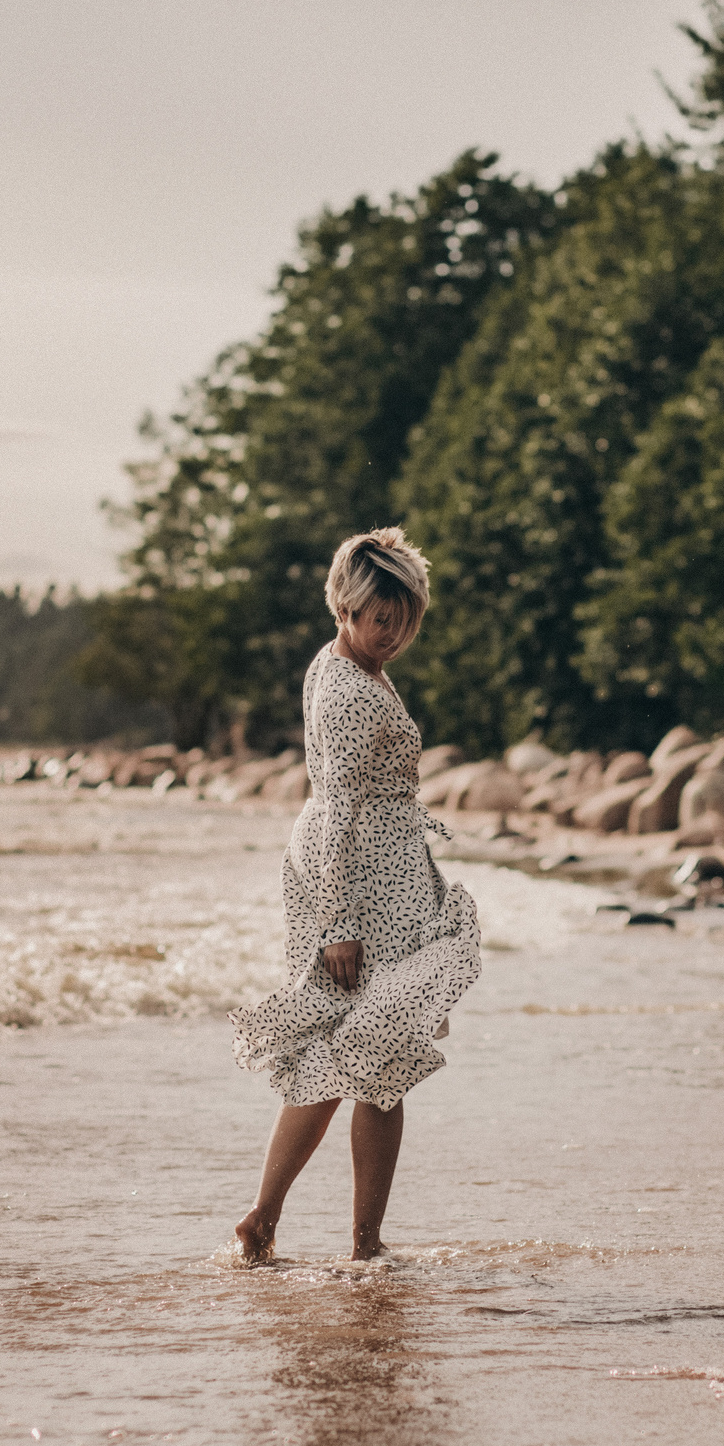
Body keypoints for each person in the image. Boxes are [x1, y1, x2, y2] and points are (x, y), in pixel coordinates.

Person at [229, 528, 483, 1263]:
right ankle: (361, 1243)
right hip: (357, 884)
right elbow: (338, 804)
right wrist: (337, 924)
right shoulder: (347, 688)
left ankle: (268, 1219)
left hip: (374, 873)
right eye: (383, 619)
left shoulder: (343, 663)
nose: (396, 633)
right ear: (346, 606)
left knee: (350, 1056)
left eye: (407, 618)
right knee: (373, 1059)